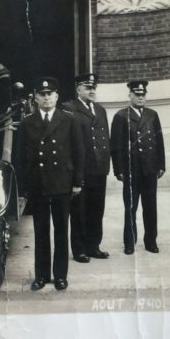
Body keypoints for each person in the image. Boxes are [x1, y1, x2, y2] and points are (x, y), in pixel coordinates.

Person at [19, 77, 84, 291]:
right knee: (41, 231)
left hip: (61, 183)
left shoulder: (69, 119)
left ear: (57, 96)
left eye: (50, 94)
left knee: (60, 231)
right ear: (36, 98)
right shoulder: (27, 122)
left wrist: (77, 182)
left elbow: (78, 153)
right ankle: (41, 275)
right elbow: (22, 157)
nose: (46, 98)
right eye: (42, 94)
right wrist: (24, 186)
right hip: (38, 183)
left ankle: (60, 276)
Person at [110, 80, 165, 255]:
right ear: (130, 95)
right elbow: (116, 146)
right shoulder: (121, 116)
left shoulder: (152, 115)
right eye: (137, 95)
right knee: (131, 207)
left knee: (150, 207)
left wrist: (161, 165)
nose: (141, 98)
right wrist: (118, 170)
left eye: (143, 95)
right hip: (131, 170)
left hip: (149, 169)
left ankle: (151, 241)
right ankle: (129, 242)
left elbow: (159, 142)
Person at [62, 73, 111, 263]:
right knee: (79, 211)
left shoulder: (100, 110)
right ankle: (79, 249)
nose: (92, 91)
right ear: (78, 90)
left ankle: (94, 246)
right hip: (81, 169)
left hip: (99, 168)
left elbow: (104, 138)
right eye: (87, 87)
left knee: (97, 209)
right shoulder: (69, 109)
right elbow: (68, 143)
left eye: (93, 88)